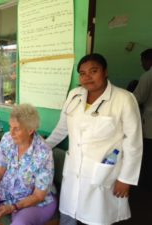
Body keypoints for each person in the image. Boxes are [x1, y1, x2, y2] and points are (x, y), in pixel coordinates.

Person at [46, 53, 143, 225]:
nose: (87, 77)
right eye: (82, 73)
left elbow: (133, 143)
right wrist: (43, 147)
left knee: (98, 217)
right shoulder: (74, 95)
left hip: (104, 174)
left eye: (93, 71)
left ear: (105, 72)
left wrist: (126, 179)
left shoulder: (124, 99)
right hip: (74, 171)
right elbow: (62, 128)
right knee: (69, 216)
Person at [0, 104, 57, 225]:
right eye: (10, 127)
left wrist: (12, 207)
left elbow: (38, 196)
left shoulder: (43, 153)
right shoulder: (7, 139)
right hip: (5, 190)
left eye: (17, 128)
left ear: (30, 130)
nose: (11, 132)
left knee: (20, 223)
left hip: (35, 201)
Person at [133, 48, 152, 190]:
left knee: (148, 155)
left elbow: (137, 99)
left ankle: (145, 185)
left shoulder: (148, 76)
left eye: (142, 62)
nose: (142, 65)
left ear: (148, 60)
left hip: (149, 122)